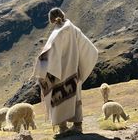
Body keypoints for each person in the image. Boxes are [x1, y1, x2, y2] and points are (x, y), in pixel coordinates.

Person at [33, 7, 98, 138]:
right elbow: (90, 48)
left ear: (51, 19)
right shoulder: (74, 29)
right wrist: (80, 65)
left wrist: (41, 63)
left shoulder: (57, 33)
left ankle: (63, 128)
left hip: (60, 74)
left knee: (58, 98)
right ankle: (77, 126)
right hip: (74, 72)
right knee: (76, 98)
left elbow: (50, 54)